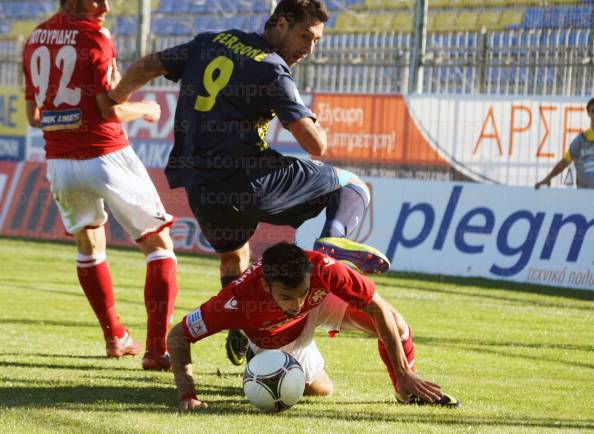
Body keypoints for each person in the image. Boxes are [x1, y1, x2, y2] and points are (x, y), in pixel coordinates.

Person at [109, 0, 389, 366]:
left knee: (233, 252)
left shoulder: (211, 40)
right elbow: (314, 145)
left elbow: (149, 65)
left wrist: (114, 99)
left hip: (201, 186)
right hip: (250, 178)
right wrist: (310, 120)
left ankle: (239, 323)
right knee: (352, 185)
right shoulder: (272, 69)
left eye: (316, 41)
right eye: (305, 36)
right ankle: (331, 241)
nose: (309, 48)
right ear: (282, 23)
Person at [22, 0, 178, 370]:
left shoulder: (33, 39)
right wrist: (146, 109)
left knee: (89, 245)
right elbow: (109, 109)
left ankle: (115, 337)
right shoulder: (95, 37)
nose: (105, 5)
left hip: (60, 162)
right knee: (159, 245)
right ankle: (156, 350)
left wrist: (67, 118)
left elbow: (33, 117)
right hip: (107, 156)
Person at [166, 242, 460, 410]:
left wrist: (403, 372)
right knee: (321, 390)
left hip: (322, 301)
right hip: (275, 333)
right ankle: (259, 357)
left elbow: (377, 306)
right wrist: (187, 394)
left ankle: (406, 391)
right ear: (267, 286)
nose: (296, 303)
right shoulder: (236, 301)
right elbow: (178, 336)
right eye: (286, 296)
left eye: (301, 292)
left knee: (396, 323)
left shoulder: (322, 269)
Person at [535, 98, 594, 189]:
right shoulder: (580, 140)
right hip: (584, 195)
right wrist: (549, 177)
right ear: (589, 114)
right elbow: (564, 162)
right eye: (593, 111)